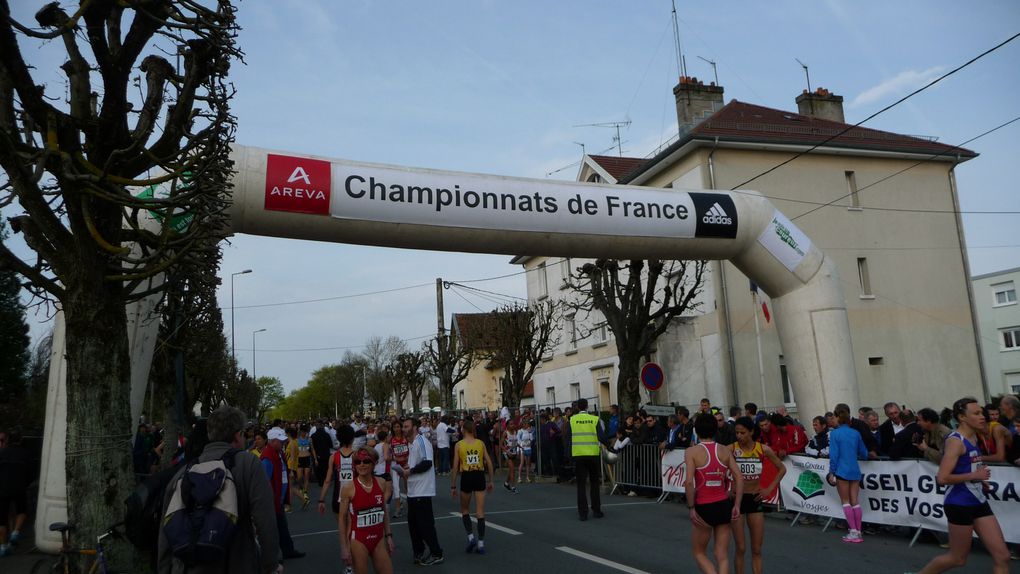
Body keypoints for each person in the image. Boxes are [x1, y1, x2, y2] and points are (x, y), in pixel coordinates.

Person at [158, 406, 282, 573]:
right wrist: (271, 564)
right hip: (237, 562)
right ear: (238, 435)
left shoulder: (185, 471)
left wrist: (165, 568)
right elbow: (265, 520)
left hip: (189, 565)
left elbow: (167, 524)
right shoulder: (248, 464)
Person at [914, 397, 1011, 574]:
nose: (982, 416)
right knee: (957, 558)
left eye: (981, 412)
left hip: (978, 501)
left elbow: (971, 463)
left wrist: (980, 480)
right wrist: (974, 475)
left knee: (1002, 556)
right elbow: (942, 478)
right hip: (959, 504)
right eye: (976, 413)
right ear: (962, 417)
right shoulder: (955, 441)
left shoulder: (974, 435)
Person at [685, 412, 743, 574]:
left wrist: (691, 507)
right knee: (722, 555)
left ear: (696, 430)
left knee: (699, 552)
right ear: (715, 429)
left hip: (704, 506)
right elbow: (739, 477)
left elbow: (689, 482)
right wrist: (737, 505)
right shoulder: (724, 450)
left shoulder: (692, 452)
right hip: (724, 504)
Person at [730, 417, 784, 574]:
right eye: (737, 432)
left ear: (752, 432)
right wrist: (726, 488)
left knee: (756, 549)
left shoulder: (763, 449)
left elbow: (782, 469)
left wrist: (769, 489)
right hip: (737, 500)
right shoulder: (731, 449)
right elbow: (716, 465)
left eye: (742, 432)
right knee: (740, 548)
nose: (739, 436)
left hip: (755, 498)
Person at [338, 447, 395, 574]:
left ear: (374, 463)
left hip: (378, 539)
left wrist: (389, 536)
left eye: (366, 461)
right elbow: (342, 519)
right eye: (358, 462)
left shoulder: (381, 483)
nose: (361, 465)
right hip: (358, 540)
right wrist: (344, 547)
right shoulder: (348, 488)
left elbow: (384, 512)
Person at [397, 417, 444, 565]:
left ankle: (437, 553)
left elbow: (427, 463)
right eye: (403, 427)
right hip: (413, 491)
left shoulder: (421, 441)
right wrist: (404, 470)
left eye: (406, 426)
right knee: (414, 525)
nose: (403, 429)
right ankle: (419, 551)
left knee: (425, 525)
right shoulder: (411, 444)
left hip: (422, 491)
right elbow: (414, 465)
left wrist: (410, 471)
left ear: (415, 427)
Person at [450, 419, 494, 554]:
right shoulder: (480, 443)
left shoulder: (459, 445)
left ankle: (470, 537)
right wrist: (490, 480)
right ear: (473, 430)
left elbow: (455, 466)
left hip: (467, 477)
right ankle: (481, 543)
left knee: (465, 509)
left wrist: (453, 486)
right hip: (479, 475)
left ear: (463, 430)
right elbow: (489, 462)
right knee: (480, 511)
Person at [828, 405, 868, 544]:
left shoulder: (835, 434)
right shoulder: (855, 433)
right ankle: (858, 530)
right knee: (855, 501)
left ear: (838, 418)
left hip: (842, 470)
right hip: (854, 469)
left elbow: (834, 455)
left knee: (845, 501)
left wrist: (831, 471)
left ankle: (853, 531)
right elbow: (864, 452)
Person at [569, 398, 605, 521]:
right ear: (587, 407)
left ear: (578, 407)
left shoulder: (572, 420)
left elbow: (568, 438)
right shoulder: (594, 419)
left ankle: (583, 513)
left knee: (581, 485)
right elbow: (601, 437)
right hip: (593, 455)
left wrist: (569, 455)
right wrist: (611, 448)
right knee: (594, 483)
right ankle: (596, 510)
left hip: (578, 455)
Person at [0, 428, 33, 558]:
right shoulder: (26, 454)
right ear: (20, 440)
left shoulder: (2, 453)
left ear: (8, 440)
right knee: (22, 511)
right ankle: (15, 533)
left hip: (2, 489)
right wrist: (25, 483)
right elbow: (31, 472)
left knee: (1, 520)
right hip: (19, 487)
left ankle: (2, 547)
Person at [319, 426, 356, 516]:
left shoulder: (333, 457)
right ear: (353, 439)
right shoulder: (357, 455)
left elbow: (327, 481)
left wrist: (321, 500)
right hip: (355, 497)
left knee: (342, 527)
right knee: (354, 528)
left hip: (338, 498)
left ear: (339, 439)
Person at [390, 421, 409, 518]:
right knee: (396, 486)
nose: (397, 429)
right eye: (395, 427)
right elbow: (389, 454)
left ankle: (411, 505)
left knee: (408, 486)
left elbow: (411, 450)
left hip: (406, 464)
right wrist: (395, 458)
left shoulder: (406, 437)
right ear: (392, 428)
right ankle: (398, 508)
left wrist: (407, 460)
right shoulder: (391, 439)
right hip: (396, 464)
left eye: (398, 427)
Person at [296, 425, 315, 508]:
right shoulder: (296, 440)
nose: (304, 433)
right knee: (299, 478)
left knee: (307, 476)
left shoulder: (309, 439)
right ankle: (301, 488)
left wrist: (315, 458)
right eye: (302, 432)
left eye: (305, 432)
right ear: (300, 432)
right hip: (299, 459)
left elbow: (312, 449)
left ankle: (305, 493)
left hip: (307, 458)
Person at [311, 422, 334, 487]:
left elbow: (312, 448)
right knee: (326, 468)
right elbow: (330, 445)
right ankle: (326, 481)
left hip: (318, 454)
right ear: (323, 426)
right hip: (326, 454)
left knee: (319, 469)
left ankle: (321, 482)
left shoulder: (313, 436)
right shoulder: (327, 435)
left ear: (316, 427)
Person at [501, 419, 520, 493]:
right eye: (511, 424)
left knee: (511, 470)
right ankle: (513, 487)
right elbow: (501, 444)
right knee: (512, 469)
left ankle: (506, 483)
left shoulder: (515, 432)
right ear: (507, 425)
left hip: (514, 452)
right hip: (507, 453)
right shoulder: (505, 433)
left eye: (513, 424)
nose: (513, 425)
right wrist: (506, 451)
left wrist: (519, 448)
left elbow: (515, 442)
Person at [516, 420, 534, 484]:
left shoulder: (528, 431)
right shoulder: (520, 431)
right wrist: (518, 450)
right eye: (525, 424)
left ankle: (527, 477)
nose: (527, 425)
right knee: (522, 463)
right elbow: (518, 441)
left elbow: (531, 439)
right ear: (523, 425)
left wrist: (530, 432)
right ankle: (519, 477)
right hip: (522, 449)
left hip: (528, 448)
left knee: (528, 463)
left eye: (527, 424)